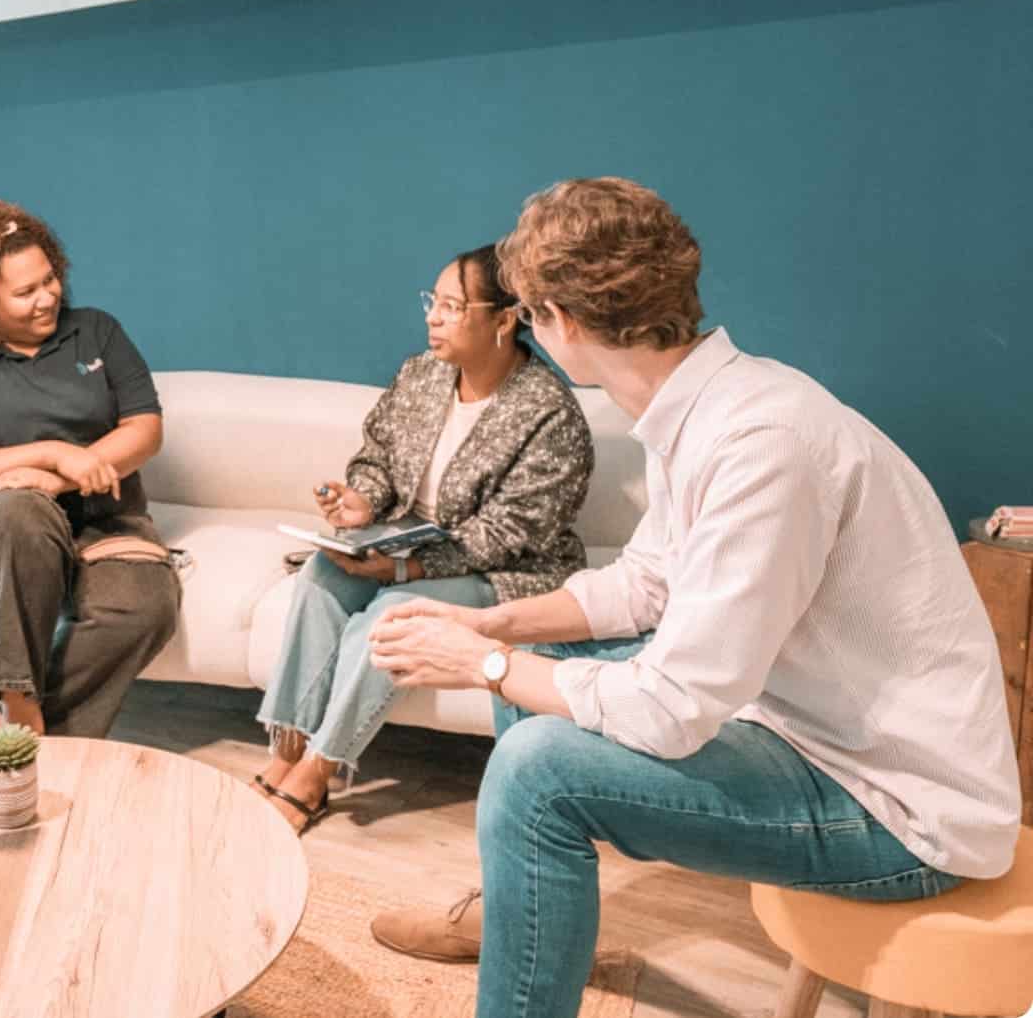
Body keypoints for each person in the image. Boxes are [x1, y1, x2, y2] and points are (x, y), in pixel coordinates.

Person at [362, 178, 1021, 1018]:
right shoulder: (715, 404)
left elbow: (675, 707)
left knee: (538, 772)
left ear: (558, 321)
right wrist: (496, 622)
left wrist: (487, 664)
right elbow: (647, 583)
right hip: (814, 736)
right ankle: (521, 919)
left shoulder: (762, 443)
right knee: (547, 667)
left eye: (528, 314)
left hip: (902, 811)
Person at [255, 244, 593, 833]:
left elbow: (509, 531)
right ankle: (285, 752)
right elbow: (379, 458)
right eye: (432, 302)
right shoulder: (421, 375)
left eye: (452, 306)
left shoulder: (550, 413)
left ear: (504, 318)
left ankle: (317, 773)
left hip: (505, 569)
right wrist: (363, 501)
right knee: (320, 576)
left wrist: (404, 572)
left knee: (396, 615)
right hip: (407, 542)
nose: (433, 317)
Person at [0, 200, 180, 739]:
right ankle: (18, 703)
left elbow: (145, 429)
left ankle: (24, 734)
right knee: (17, 513)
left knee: (146, 605)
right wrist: (49, 454)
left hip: (106, 521)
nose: (47, 296)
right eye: (25, 292)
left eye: (50, 280)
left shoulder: (97, 332)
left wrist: (61, 477)